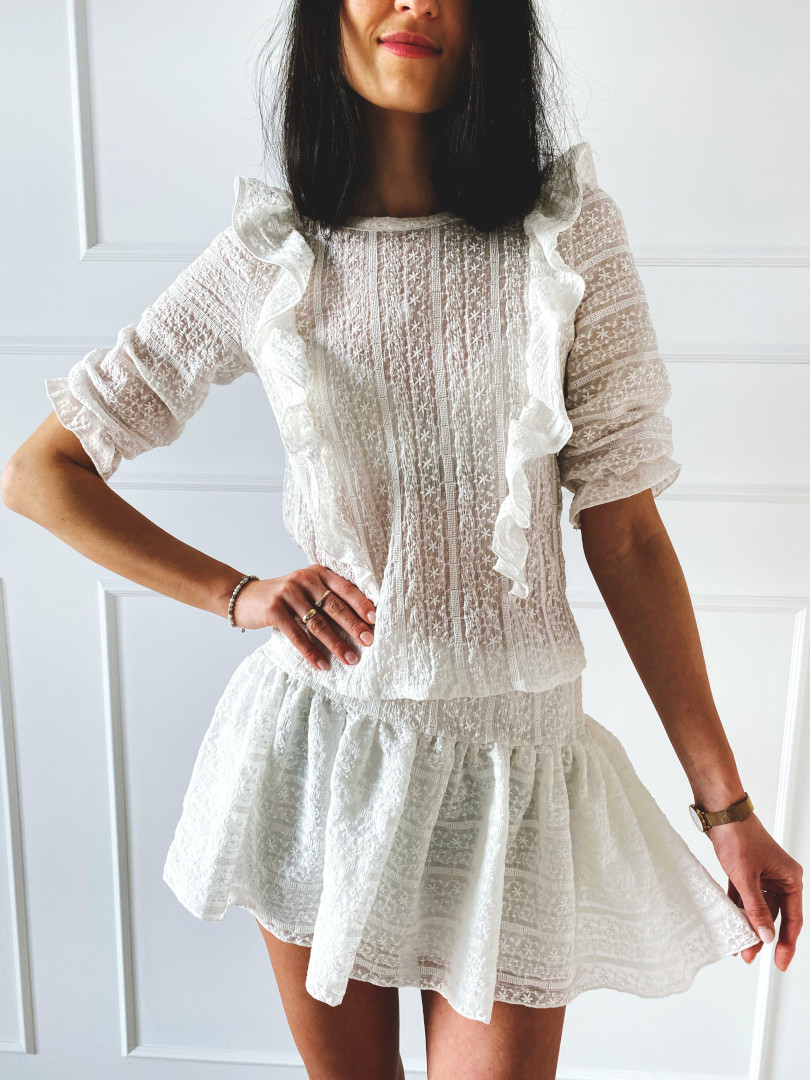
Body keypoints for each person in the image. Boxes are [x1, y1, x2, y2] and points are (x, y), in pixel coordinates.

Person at [3, 1, 803, 1078]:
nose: (415, 0)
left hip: (514, 780)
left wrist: (730, 810)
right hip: (323, 759)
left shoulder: (568, 236)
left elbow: (626, 537)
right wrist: (237, 591)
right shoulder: (271, 255)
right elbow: (41, 473)